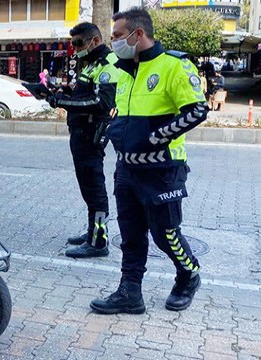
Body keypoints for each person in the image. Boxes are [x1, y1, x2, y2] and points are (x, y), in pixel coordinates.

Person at [90, 7, 208, 315]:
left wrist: (156, 137)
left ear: (137, 34)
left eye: (117, 36)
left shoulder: (174, 66)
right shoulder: (125, 68)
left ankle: (188, 274)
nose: (113, 42)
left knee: (165, 233)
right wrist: (111, 133)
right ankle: (130, 292)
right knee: (130, 233)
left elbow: (197, 110)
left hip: (162, 168)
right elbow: (122, 113)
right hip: (127, 168)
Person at [43, 22, 119, 258]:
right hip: (80, 134)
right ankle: (93, 232)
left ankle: (98, 242)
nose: (74, 48)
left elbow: (101, 104)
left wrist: (62, 102)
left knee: (94, 189)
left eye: (78, 43)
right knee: (88, 188)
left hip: (91, 135)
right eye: (72, 43)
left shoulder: (108, 65)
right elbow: (81, 96)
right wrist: (56, 93)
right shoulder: (92, 64)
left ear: (95, 41)